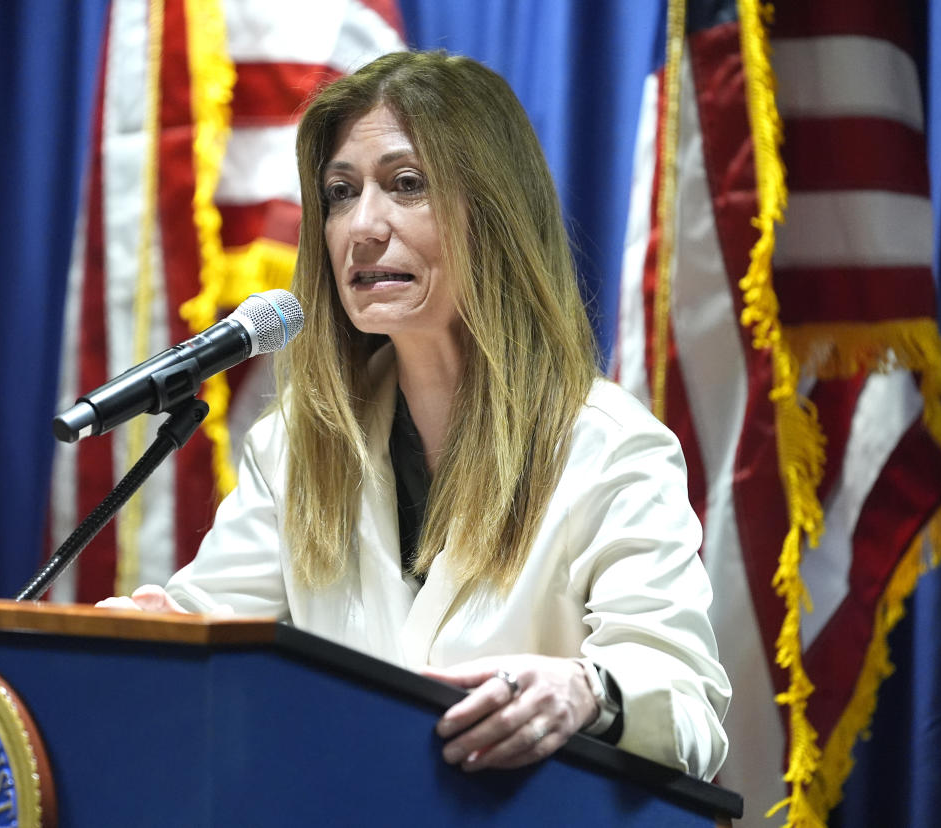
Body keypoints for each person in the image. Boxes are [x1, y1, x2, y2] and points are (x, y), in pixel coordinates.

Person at [98, 50, 730, 780]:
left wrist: (587, 691)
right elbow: (211, 630)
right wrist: (154, 634)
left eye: (406, 185)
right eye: (339, 192)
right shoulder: (297, 446)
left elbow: (690, 709)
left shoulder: (609, 447)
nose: (363, 226)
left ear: (494, 212)